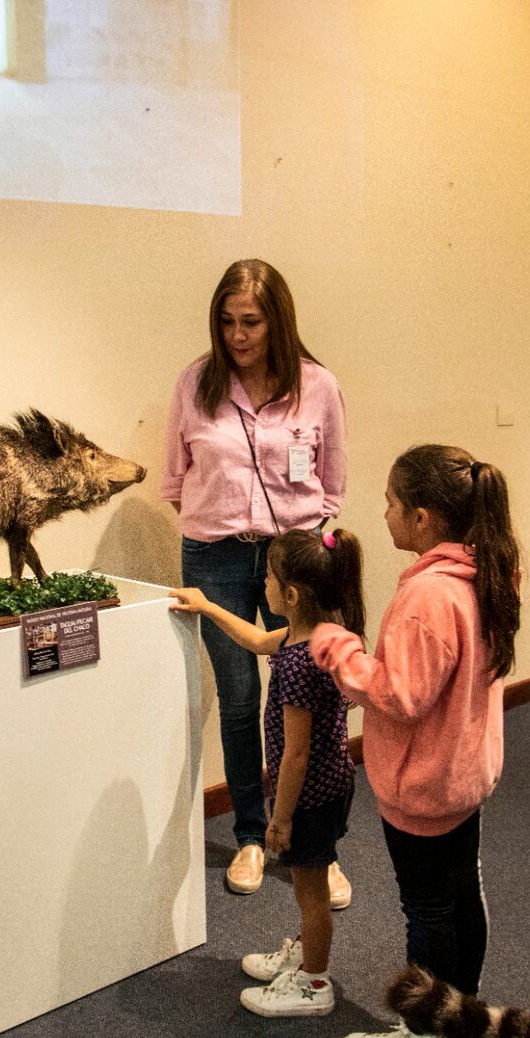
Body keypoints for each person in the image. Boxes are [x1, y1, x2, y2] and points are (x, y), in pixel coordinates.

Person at [311, 445, 521, 1038]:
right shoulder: (488, 568)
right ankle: (462, 1016)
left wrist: (336, 645)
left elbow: (398, 695)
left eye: (392, 504)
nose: (385, 514)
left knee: (427, 909)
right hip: (464, 775)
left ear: (424, 517)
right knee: (462, 895)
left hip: (425, 787)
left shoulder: (429, 595)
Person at [161, 258, 352, 903]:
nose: (238, 335)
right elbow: (174, 478)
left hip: (293, 560)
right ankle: (249, 832)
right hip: (214, 557)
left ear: (278, 320)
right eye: (226, 321)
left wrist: (301, 551)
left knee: (308, 701)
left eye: (251, 321)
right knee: (241, 702)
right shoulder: (195, 383)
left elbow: (334, 483)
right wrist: (221, 522)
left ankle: (315, 845)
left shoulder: (317, 385)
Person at [169, 526, 365, 1016]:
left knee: (310, 892)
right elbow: (257, 640)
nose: (265, 585)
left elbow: (296, 755)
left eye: (271, 579)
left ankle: (314, 983)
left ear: (291, 595)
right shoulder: (319, 635)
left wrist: (279, 818)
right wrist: (209, 606)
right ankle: (306, 952)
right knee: (309, 886)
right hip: (330, 785)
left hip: (309, 797)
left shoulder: (301, 664)